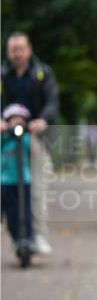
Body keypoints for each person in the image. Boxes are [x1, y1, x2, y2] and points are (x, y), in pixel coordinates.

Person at [1, 32, 59, 255]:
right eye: (13, 49)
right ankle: (17, 235)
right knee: (7, 189)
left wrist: (43, 120)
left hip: (34, 135)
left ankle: (39, 235)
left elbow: (52, 100)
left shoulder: (42, 73)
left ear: (29, 49)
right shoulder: (3, 74)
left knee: (37, 188)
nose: (16, 53)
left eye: (20, 49)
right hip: (6, 137)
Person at [1, 103, 33, 250]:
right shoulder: (3, 138)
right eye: (13, 119)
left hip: (24, 180)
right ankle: (16, 239)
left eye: (21, 119)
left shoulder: (26, 138)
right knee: (11, 213)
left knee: (26, 211)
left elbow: (34, 152)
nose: (17, 122)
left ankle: (28, 238)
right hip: (6, 181)